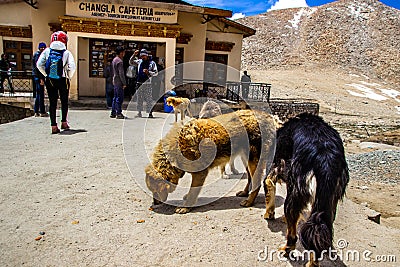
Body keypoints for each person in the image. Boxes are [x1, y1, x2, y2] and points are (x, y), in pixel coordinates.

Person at [37, 31, 76, 134]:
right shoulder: (66, 53)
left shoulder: (47, 51)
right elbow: (72, 67)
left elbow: (39, 65)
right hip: (63, 80)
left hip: (50, 80)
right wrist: (68, 77)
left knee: (52, 102)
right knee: (64, 101)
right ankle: (64, 122)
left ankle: (54, 126)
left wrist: (46, 75)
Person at [135, 49, 158, 118]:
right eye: (141, 56)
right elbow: (130, 62)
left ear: (147, 55)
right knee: (139, 98)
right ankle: (139, 112)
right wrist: (134, 55)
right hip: (139, 83)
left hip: (148, 83)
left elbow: (156, 73)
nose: (142, 57)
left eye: (144, 56)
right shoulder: (139, 61)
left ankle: (150, 113)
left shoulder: (152, 63)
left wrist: (148, 72)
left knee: (149, 98)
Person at [110, 46, 127, 119]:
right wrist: (124, 83)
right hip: (119, 81)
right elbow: (121, 73)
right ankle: (118, 112)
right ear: (121, 53)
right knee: (119, 98)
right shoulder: (119, 61)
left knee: (115, 97)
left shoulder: (114, 60)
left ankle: (113, 112)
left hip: (115, 80)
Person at [32, 42, 48, 117]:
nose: (43, 49)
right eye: (42, 48)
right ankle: (41, 111)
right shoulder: (38, 55)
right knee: (40, 94)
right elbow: (38, 67)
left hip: (36, 76)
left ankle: (37, 111)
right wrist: (41, 78)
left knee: (39, 94)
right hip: (38, 77)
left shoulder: (37, 55)